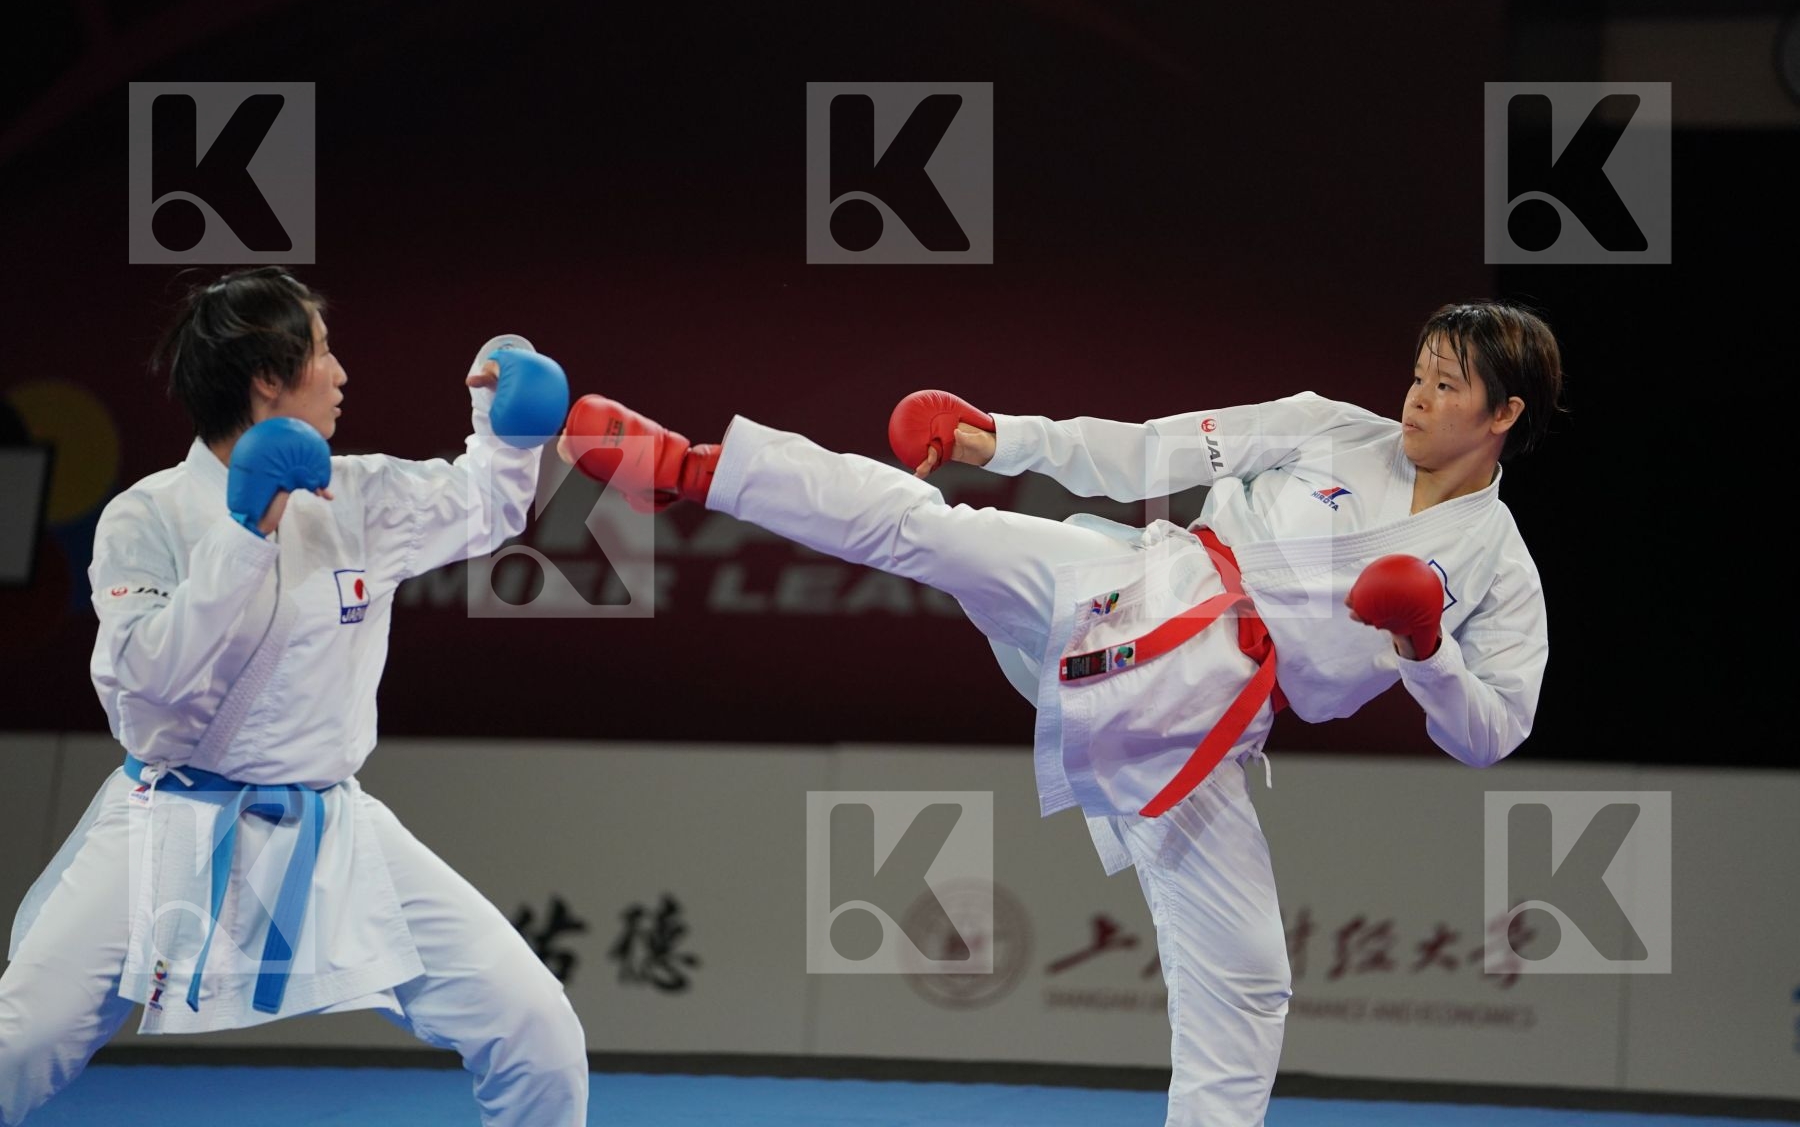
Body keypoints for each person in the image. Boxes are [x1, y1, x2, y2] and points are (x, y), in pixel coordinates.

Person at [554, 301, 1564, 1127]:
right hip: (1133, 596)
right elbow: (1149, 451)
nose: (1417, 397)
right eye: (1418, 373)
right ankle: (692, 467)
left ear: (1505, 413)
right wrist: (997, 438)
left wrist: (1428, 652)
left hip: (1198, 732)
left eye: (1447, 385)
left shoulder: (1497, 567)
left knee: (1250, 976)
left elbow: (1490, 734)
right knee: (937, 533)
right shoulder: (1330, 428)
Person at [0, 267, 587, 1126]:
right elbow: (147, 687)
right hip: (169, 823)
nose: (341, 373)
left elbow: (482, 507)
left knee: (537, 1028)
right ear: (267, 378)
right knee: (21, 1042)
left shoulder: (357, 496)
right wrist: (245, 535)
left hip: (328, 822)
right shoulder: (147, 516)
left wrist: (502, 425)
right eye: (321, 352)